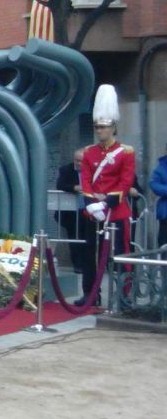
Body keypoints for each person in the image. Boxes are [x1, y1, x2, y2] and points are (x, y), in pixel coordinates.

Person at [79, 85, 136, 301]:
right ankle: (90, 294)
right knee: (89, 253)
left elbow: (126, 181)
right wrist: (91, 202)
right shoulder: (89, 152)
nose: (99, 131)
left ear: (113, 127)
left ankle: (124, 295)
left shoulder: (125, 152)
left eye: (103, 127)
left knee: (121, 253)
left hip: (116, 210)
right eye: (97, 127)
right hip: (93, 211)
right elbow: (85, 179)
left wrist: (106, 202)